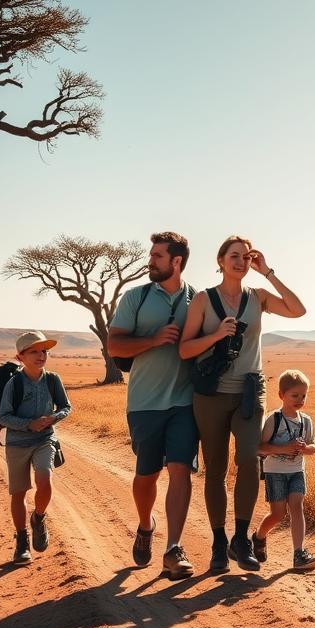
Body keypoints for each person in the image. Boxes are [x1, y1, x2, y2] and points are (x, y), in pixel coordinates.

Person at [180, 236, 306, 572]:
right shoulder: (203, 300)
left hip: (250, 391)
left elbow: (298, 309)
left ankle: (240, 538)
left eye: (247, 258)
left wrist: (269, 273)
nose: (241, 262)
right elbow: (185, 349)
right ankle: (219, 543)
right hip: (211, 395)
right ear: (220, 260)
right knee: (215, 469)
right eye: (234, 256)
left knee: (250, 459)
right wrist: (216, 336)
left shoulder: (259, 298)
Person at [107, 232, 198, 579]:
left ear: (176, 261)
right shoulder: (136, 297)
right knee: (147, 475)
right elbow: (115, 345)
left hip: (184, 402)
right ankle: (146, 525)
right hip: (144, 402)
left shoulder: (198, 299)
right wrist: (154, 340)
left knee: (180, 469)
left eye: (157, 256)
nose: (150, 260)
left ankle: (174, 547)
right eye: (151, 254)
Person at [0, 331, 71, 564]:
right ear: (20, 357)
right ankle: (21, 542)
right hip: (17, 443)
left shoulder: (52, 379)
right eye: (34, 352)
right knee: (18, 493)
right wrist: (29, 424)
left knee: (44, 479)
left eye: (44, 351)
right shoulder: (14, 383)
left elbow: (66, 406)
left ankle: (38, 518)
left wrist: (53, 418)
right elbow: (4, 417)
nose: (41, 355)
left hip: (45, 440)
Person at [252, 369, 315, 571]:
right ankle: (258, 536)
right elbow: (260, 448)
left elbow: (313, 447)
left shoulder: (306, 421)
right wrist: (284, 448)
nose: (300, 400)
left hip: (297, 471)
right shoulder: (273, 419)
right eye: (295, 395)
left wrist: (304, 449)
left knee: (297, 507)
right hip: (275, 473)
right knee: (278, 514)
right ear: (282, 395)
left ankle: (299, 553)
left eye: (303, 395)